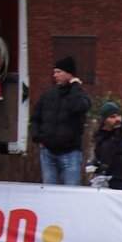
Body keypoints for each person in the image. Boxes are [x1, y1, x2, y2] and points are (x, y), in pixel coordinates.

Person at [31, 56, 91, 185]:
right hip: (48, 152)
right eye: (54, 72)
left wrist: (75, 86)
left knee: (72, 194)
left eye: (59, 72)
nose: (55, 75)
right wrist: (38, 138)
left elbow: (79, 106)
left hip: (70, 153)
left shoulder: (80, 95)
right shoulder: (48, 94)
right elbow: (36, 117)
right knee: (48, 192)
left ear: (69, 74)